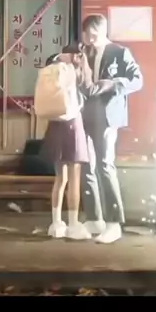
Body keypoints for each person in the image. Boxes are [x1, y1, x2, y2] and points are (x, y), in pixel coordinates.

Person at [41, 43, 116, 240]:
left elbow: (50, 64)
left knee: (60, 178)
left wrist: (62, 57)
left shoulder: (52, 68)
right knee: (74, 178)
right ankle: (73, 224)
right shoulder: (73, 71)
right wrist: (81, 64)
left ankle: (56, 223)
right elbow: (88, 88)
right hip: (73, 125)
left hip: (54, 124)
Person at [81, 14, 143, 244]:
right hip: (84, 114)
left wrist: (114, 84)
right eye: (86, 35)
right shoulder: (84, 52)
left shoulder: (120, 52)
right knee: (86, 165)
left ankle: (114, 223)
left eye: (93, 35)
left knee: (105, 166)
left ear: (103, 31)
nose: (90, 39)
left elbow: (138, 80)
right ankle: (94, 218)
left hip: (107, 116)